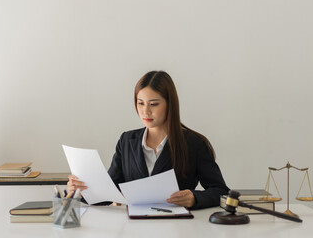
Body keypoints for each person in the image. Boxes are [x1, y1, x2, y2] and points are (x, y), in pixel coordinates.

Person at [67, 71, 229, 209]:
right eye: (140, 103)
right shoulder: (126, 140)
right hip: (134, 227)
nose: (145, 111)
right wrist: (80, 191)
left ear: (170, 104)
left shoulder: (193, 143)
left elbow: (221, 190)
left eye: (154, 104)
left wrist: (194, 198)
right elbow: (110, 192)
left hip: (178, 227)